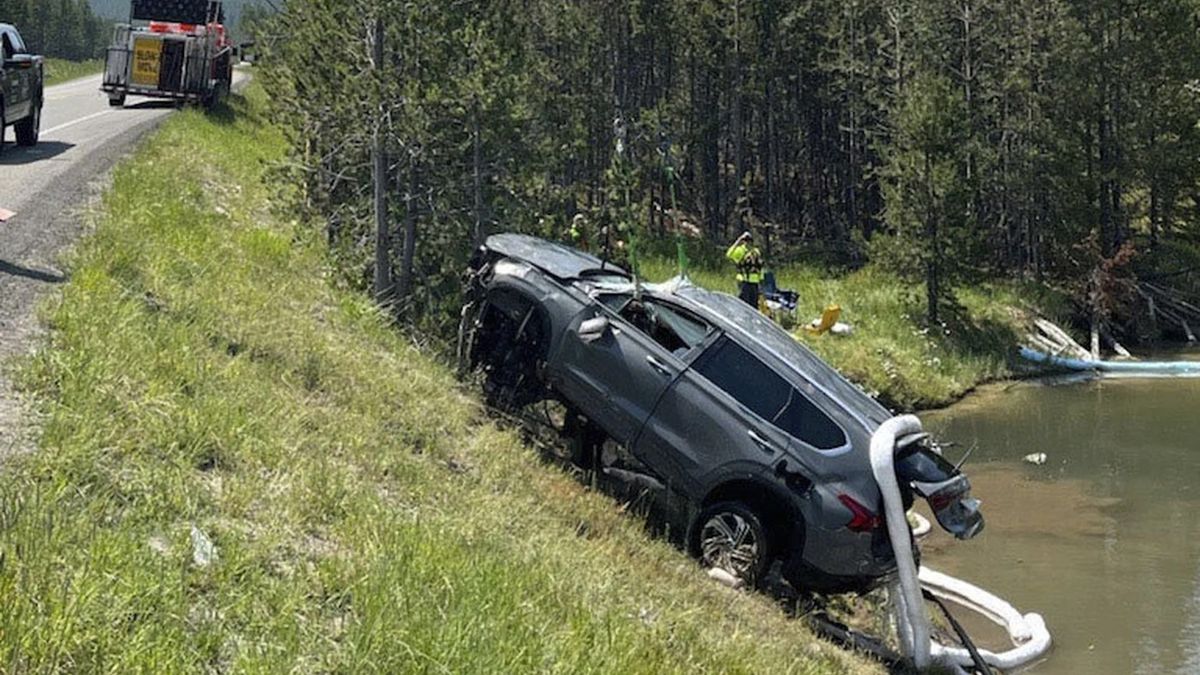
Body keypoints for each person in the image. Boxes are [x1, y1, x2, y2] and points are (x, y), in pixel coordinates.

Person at [726, 230, 764, 307]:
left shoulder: (741, 250)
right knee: (753, 306)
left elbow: (729, 254)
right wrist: (761, 281)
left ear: (743, 241)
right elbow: (760, 268)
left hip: (745, 282)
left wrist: (738, 241)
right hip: (753, 283)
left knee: (744, 306)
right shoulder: (756, 251)